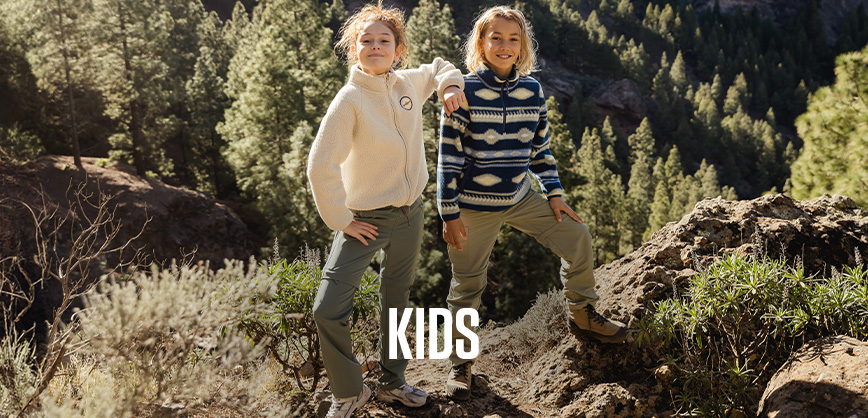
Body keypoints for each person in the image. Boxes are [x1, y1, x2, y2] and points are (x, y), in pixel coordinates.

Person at [436, 5, 628, 401]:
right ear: (481, 43)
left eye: (514, 39)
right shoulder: (463, 91)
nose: (505, 46)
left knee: (577, 237)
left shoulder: (532, 90)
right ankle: (460, 364)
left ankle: (582, 314)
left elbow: (541, 149)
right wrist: (449, 214)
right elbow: (447, 158)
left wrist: (554, 193)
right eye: (496, 38)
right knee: (467, 286)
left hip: (520, 197)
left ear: (523, 45)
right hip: (472, 206)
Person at [307, 3, 466, 417]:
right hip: (366, 222)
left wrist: (450, 85)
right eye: (366, 40)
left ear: (398, 49)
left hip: (411, 215)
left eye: (384, 40)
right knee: (327, 308)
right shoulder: (350, 100)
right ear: (352, 49)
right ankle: (349, 392)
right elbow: (320, 165)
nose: (375, 46)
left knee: (395, 300)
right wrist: (342, 220)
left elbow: (438, 68)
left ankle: (393, 382)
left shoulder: (407, 84)